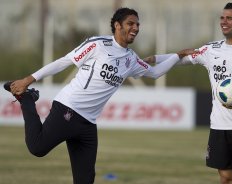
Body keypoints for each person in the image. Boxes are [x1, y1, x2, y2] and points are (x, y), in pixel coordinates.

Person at [4, 8, 195, 184]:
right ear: (117, 25)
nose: (136, 28)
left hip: (88, 123)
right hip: (68, 109)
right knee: (37, 148)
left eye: (138, 24)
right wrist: (29, 79)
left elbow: (155, 73)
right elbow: (64, 62)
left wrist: (177, 56)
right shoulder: (98, 44)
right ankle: (28, 100)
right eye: (131, 23)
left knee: (85, 180)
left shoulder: (131, 59)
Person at [144, 3, 232, 184]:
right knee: (226, 178)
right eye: (222, 18)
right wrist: (155, 59)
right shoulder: (211, 49)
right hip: (219, 125)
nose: (224, 22)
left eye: (229, 18)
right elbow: (184, 59)